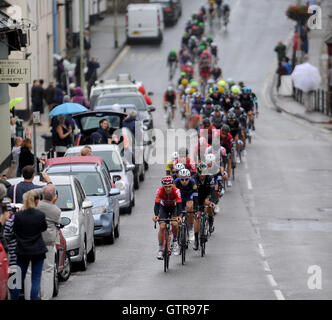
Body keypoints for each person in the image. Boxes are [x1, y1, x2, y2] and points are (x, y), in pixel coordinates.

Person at [11, 190, 47, 300]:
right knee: (35, 279)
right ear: (37, 201)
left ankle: (14, 298)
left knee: (18, 279)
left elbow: (15, 230)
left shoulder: (19, 215)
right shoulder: (40, 215)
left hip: (22, 250)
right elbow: (44, 228)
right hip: (37, 250)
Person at [38, 185, 61, 300]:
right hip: (48, 243)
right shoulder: (55, 210)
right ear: (54, 196)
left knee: (34, 270)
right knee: (48, 270)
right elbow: (57, 221)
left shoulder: (36, 206)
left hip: (35, 242)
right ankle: (46, 296)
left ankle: (35, 294)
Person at [153, 176, 182, 260]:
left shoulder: (176, 191)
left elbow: (179, 204)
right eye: (166, 187)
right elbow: (157, 204)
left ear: (172, 185)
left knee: (174, 223)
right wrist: (156, 215)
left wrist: (179, 216)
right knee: (162, 227)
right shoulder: (159, 191)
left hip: (174, 208)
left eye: (169, 186)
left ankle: (175, 241)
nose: (168, 188)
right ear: (163, 186)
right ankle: (160, 249)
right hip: (163, 208)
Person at [192, 162, 215, 250]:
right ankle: (196, 240)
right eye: (201, 173)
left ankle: (210, 219)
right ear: (197, 172)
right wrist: (195, 207)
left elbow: (212, 191)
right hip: (197, 196)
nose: (202, 175)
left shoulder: (210, 177)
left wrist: (212, 201)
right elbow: (193, 194)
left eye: (204, 173)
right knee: (197, 217)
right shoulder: (193, 179)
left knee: (208, 204)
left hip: (206, 195)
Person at [174, 169, 198, 242]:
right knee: (179, 214)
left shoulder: (192, 182)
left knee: (190, 207)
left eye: (186, 179)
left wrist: (196, 208)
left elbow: (195, 196)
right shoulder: (176, 182)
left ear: (189, 178)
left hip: (189, 196)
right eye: (182, 179)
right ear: (179, 178)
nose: (184, 181)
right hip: (180, 197)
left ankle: (190, 229)